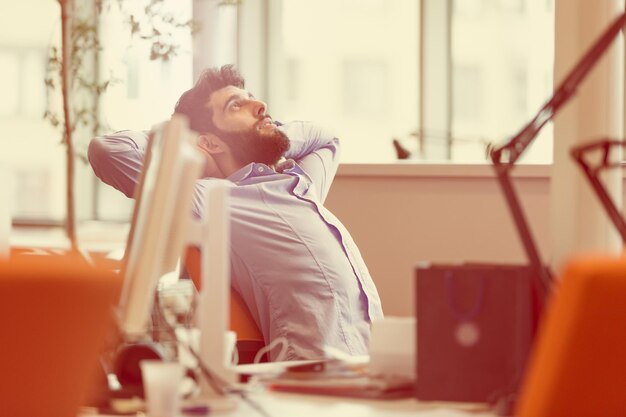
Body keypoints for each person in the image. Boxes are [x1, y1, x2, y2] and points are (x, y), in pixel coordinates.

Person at [89, 65, 383, 361]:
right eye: (236, 105)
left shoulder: (301, 181)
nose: (260, 106)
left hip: (377, 368)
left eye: (252, 98)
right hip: (321, 385)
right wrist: (187, 140)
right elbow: (108, 151)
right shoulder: (215, 199)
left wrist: (270, 134)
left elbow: (327, 138)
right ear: (210, 141)